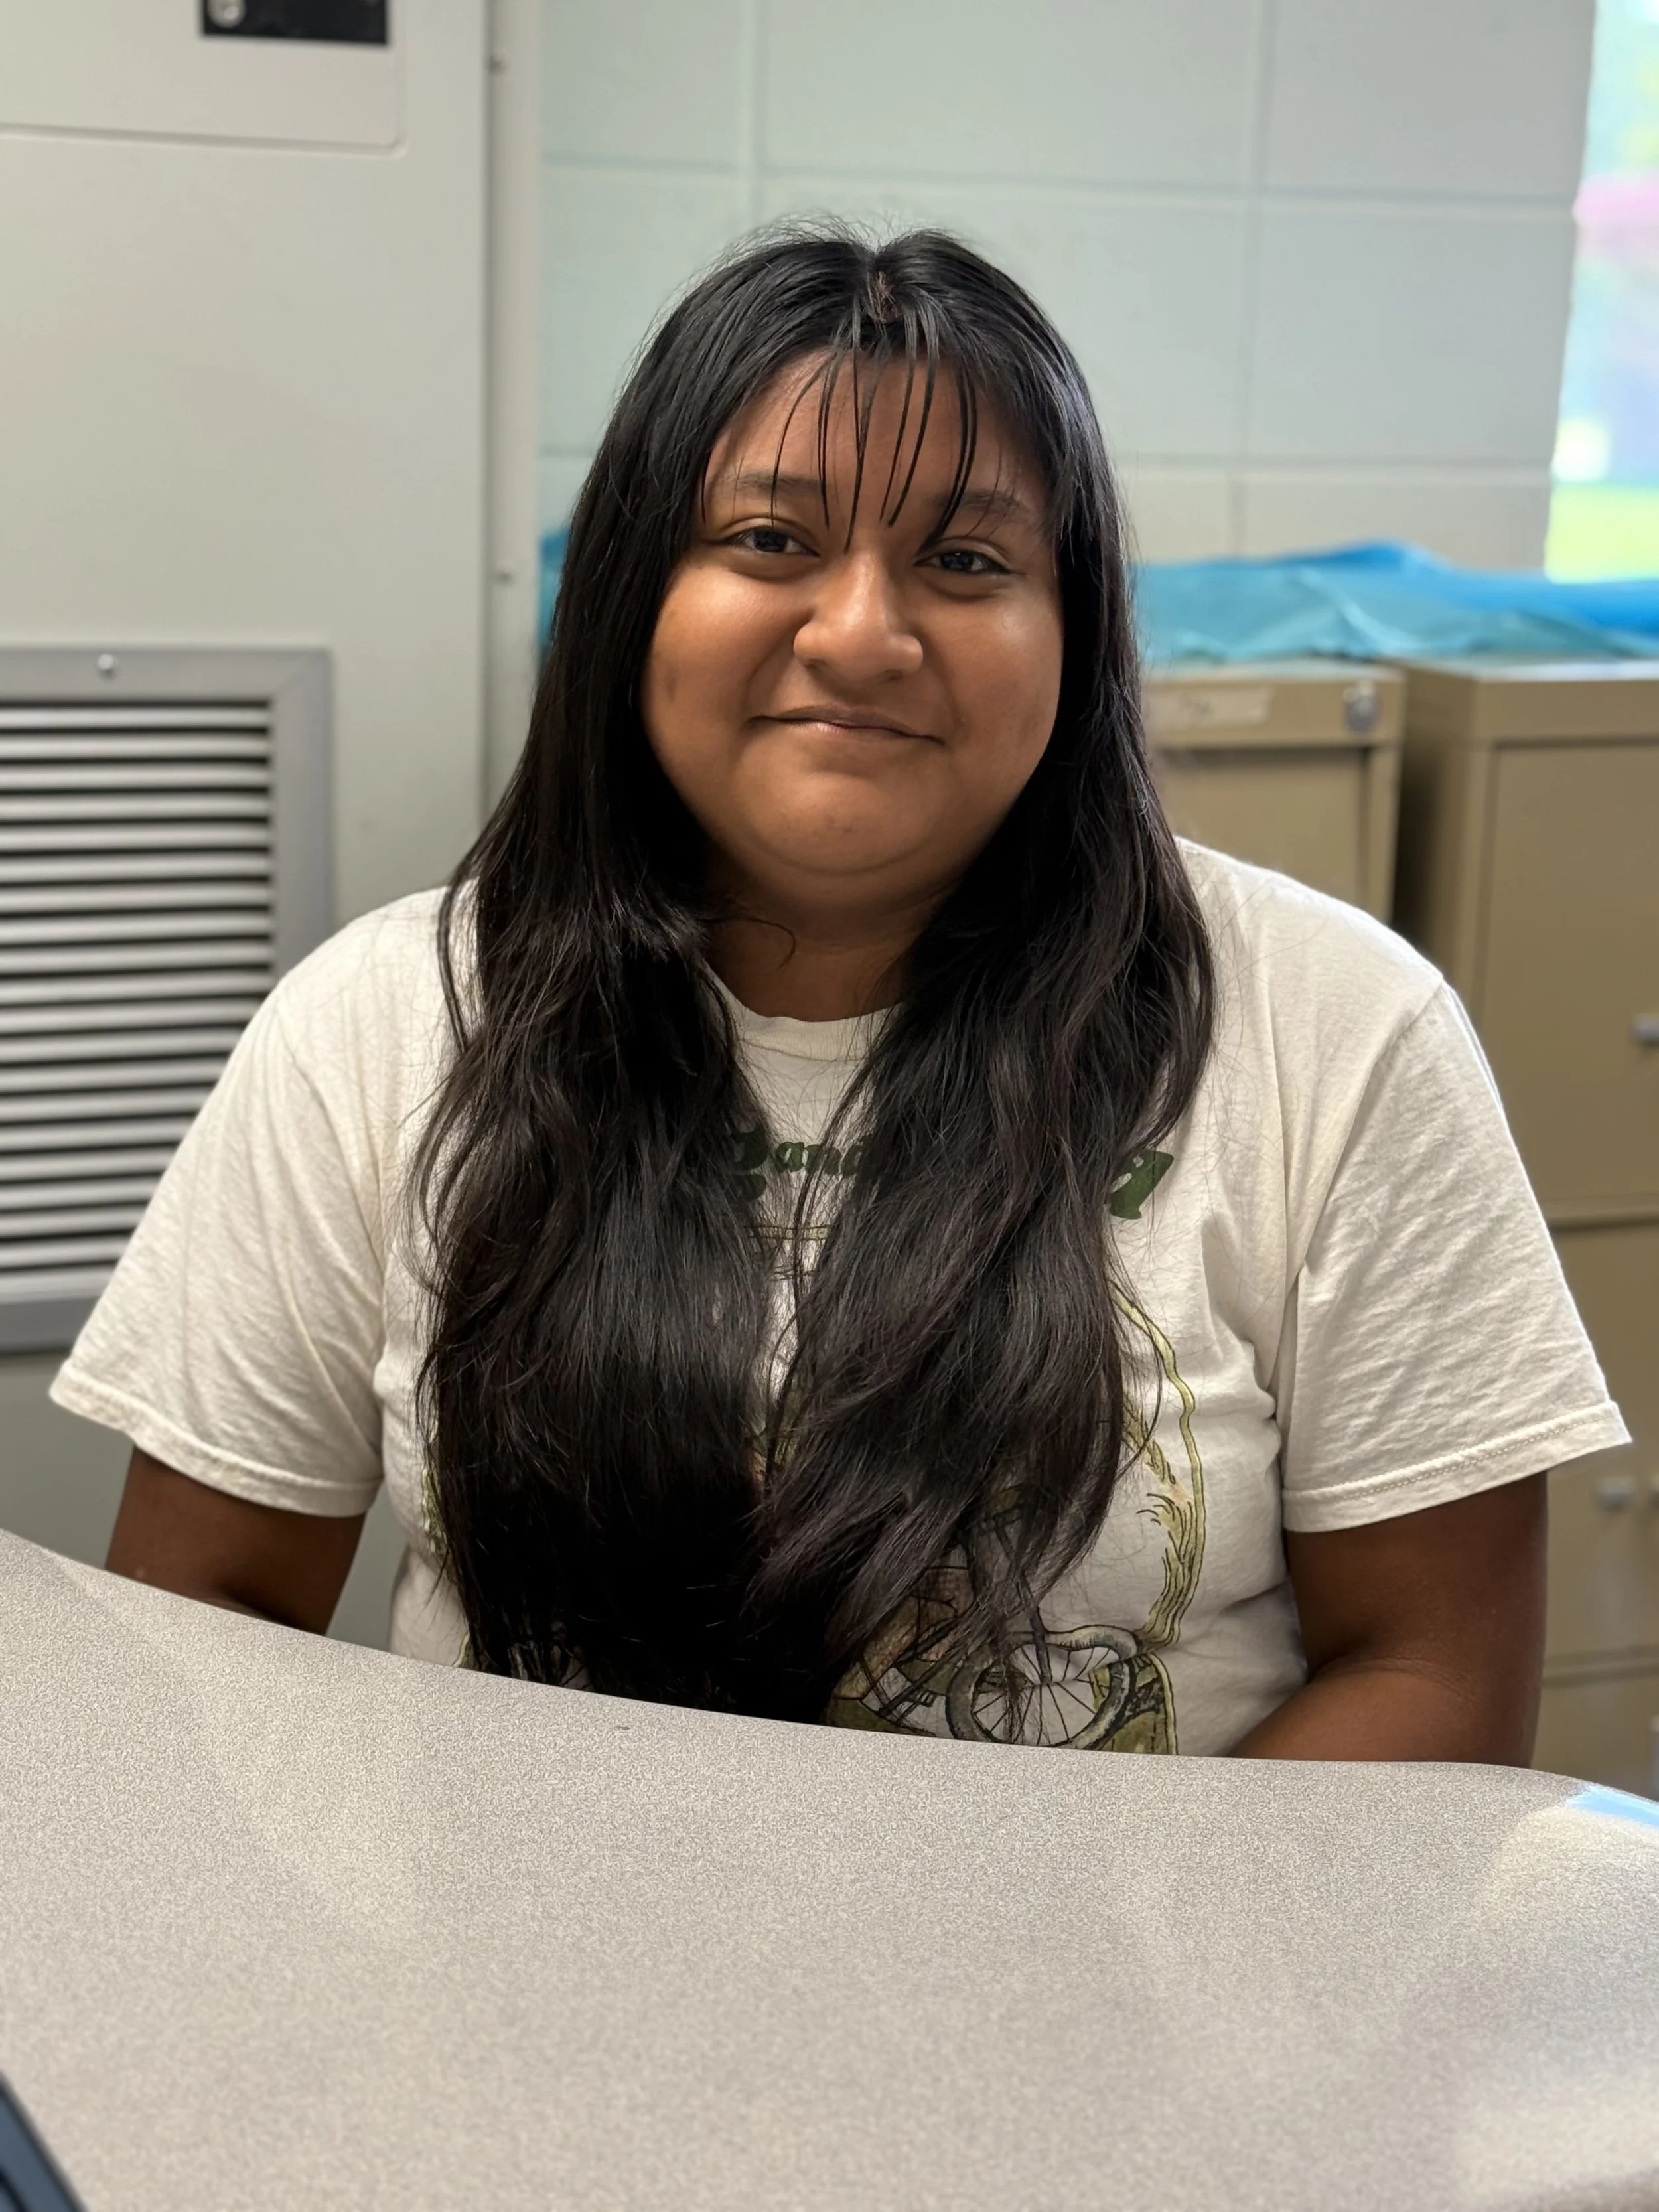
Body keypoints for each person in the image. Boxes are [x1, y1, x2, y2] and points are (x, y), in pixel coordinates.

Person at [55, 227, 1625, 1758]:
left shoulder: (1334, 1029)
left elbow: (1428, 1669)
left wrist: (1076, 1998)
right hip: (518, 1989)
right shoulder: (380, 1024)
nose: (861, 632)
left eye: (965, 559)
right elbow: (203, 1615)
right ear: (629, 597)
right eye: (768, 541)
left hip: (1123, 2008)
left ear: (1072, 637)